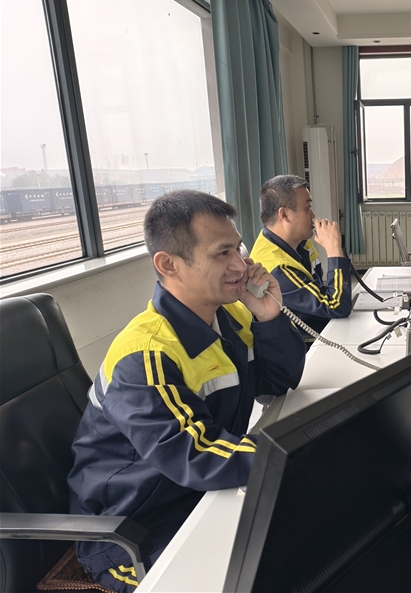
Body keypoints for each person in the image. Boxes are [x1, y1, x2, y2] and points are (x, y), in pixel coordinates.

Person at [67, 190, 306, 592]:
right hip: (133, 532)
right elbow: (197, 453)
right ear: (168, 264)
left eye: (238, 248)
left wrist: (269, 318)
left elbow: (277, 381)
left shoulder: (230, 317)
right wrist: (300, 453)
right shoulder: (145, 355)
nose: (241, 264)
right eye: (222, 253)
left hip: (197, 497)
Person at [249, 175, 352, 336]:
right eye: (307, 208)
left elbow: (320, 290)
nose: (313, 215)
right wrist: (334, 250)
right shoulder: (278, 269)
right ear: (284, 215)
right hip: (309, 341)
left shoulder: (299, 242)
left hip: (325, 323)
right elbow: (337, 306)